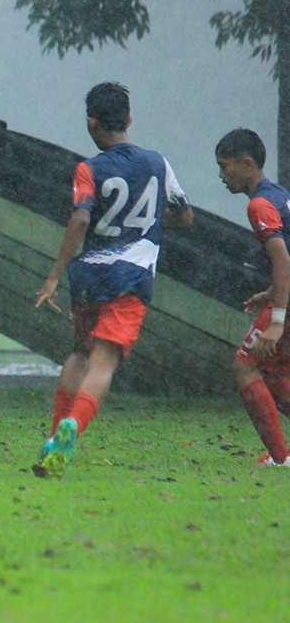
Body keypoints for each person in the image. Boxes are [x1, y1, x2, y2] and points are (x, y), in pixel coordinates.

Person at [33, 81, 193, 478]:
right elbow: (184, 214)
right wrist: (147, 224)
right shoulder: (158, 164)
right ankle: (73, 426)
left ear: (91, 123)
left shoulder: (89, 169)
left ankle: (54, 436)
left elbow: (81, 218)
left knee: (79, 352)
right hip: (131, 276)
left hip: (90, 273)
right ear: (129, 119)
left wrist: (54, 276)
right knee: (104, 360)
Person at [216, 128, 290, 467]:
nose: (221, 176)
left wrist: (277, 321)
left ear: (247, 164)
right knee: (268, 371)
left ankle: (280, 459)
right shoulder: (279, 194)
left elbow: (282, 259)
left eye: (225, 166)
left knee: (245, 367)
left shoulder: (260, 205)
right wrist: (271, 292)